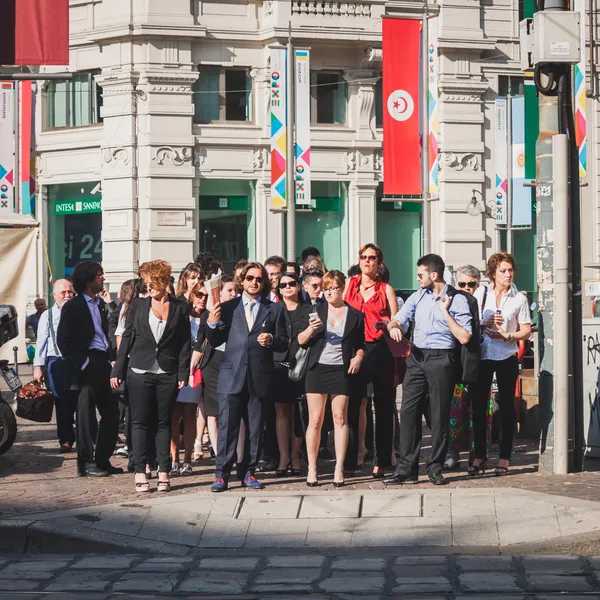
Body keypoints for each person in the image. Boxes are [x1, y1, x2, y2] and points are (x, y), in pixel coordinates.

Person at [383, 254, 473, 486]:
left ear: (434, 275)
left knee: (439, 415)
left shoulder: (457, 299)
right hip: (417, 357)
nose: (417, 278)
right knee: (408, 412)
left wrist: (445, 312)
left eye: (421, 274)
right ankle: (407, 470)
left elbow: (464, 336)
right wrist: (394, 326)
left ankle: (435, 468)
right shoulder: (418, 296)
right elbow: (399, 318)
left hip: (442, 359)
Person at [206, 262, 288, 492]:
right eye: (250, 278)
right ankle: (221, 475)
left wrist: (271, 339)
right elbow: (215, 340)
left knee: (255, 427)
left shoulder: (274, 309)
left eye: (259, 279)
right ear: (242, 280)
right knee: (227, 427)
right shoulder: (229, 307)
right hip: (231, 375)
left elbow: (284, 341)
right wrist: (212, 322)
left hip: (259, 376)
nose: (254, 282)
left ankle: (248, 472)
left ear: (264, 283)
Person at [111, 260, 191, 492]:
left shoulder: (179, 306)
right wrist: (117, 370)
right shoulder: (137, 305)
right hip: (139, 370)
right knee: (139, 422)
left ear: (165, 281)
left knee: (164, 423)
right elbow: (127, 338)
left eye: (153, 282)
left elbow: (185, 341)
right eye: (146, 283)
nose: (149, 287)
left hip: (167, 371)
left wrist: (183, 371)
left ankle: (164, 471)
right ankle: (139, 471)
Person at [298, 270, 365, 487]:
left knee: (340, 418)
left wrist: (358, 357)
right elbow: (300, 340)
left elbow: (361, 345)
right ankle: (313, 468)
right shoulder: (314, 310)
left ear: (342, 288)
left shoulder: (355, 315)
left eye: (333, 288)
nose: (328, 292)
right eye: (325, 288)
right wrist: (311, 328)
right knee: (315, 420)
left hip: (340, 370)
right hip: (317, 369)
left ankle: (339, 468)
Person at [469, 252, 532, 476]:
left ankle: (504, 456)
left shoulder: (519, 298)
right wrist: (484, 323)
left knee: (506, 406)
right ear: (493, 273)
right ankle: (479, 455)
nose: (508, 274)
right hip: (484, 354)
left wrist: (508, 336)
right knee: (478, 406)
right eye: (503, 270)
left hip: (506, 355)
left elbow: (526, 329)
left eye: (510, 270)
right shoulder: (481, 292)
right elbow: (470, 321)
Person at [57, 261, 121, 477]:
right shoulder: (73, 306)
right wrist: (83, 363)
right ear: (87, 280)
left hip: (101, 362)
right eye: (99, 275)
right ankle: (85, 462)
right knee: (85, 416)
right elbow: (63, 341)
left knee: (112, 413)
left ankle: (102, 459)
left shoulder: (100, 305)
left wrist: (110, 359)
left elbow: (104, 335)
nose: (102, 278)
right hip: (85, 365)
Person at [344, 244, 399, 478]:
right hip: (355, 348)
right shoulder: (350, 285)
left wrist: (392, 325)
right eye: (363, 257)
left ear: (379, 262)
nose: (367, 261)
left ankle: (382, 460)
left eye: (372, 258)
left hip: (379, 348)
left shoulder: (386, 289)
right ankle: (350, 459)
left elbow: (397, 319)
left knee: (384, 406)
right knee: (351, 405)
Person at [272, 272, 311, 476]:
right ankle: (283, 457)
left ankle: (296, 457)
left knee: (298, 412)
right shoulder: (273, 309)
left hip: (301, 365)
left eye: (292, 284)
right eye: (283, 285)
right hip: (278, 364)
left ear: (299, 286)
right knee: (281, 411)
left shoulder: (308, 309)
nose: (287, 287)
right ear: (278, 289)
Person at [444, 265, 481, 470]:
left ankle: (475, 455)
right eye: (462, 284)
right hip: (458, 361)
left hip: (478, 360)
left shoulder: (481, 300)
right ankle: (454, 453)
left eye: (471, 283)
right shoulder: (453, 299)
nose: (466, 287)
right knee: (455, 412)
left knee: (477, 411)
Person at [170, 282, 208, 477]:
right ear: (191, 296)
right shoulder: (181, 315)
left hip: (197, 372)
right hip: (178, 370)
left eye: (206, 296)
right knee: (174, 417)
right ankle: (174, 459)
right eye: (199, 295)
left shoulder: (207, 317)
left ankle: (187, 459)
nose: (203, 299)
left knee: (190, 414)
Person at [33, 279, 76, 452]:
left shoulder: (80, 311)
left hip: (77, 361)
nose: (67, 295)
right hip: (56, 361)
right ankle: (65, 438)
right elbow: (41, 342)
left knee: (80, 400)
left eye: (70, 292)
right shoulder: (47, 315)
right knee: (61, 402)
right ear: (54, 295)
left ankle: (88, 437)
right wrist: (38, 366)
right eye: (63, 292)